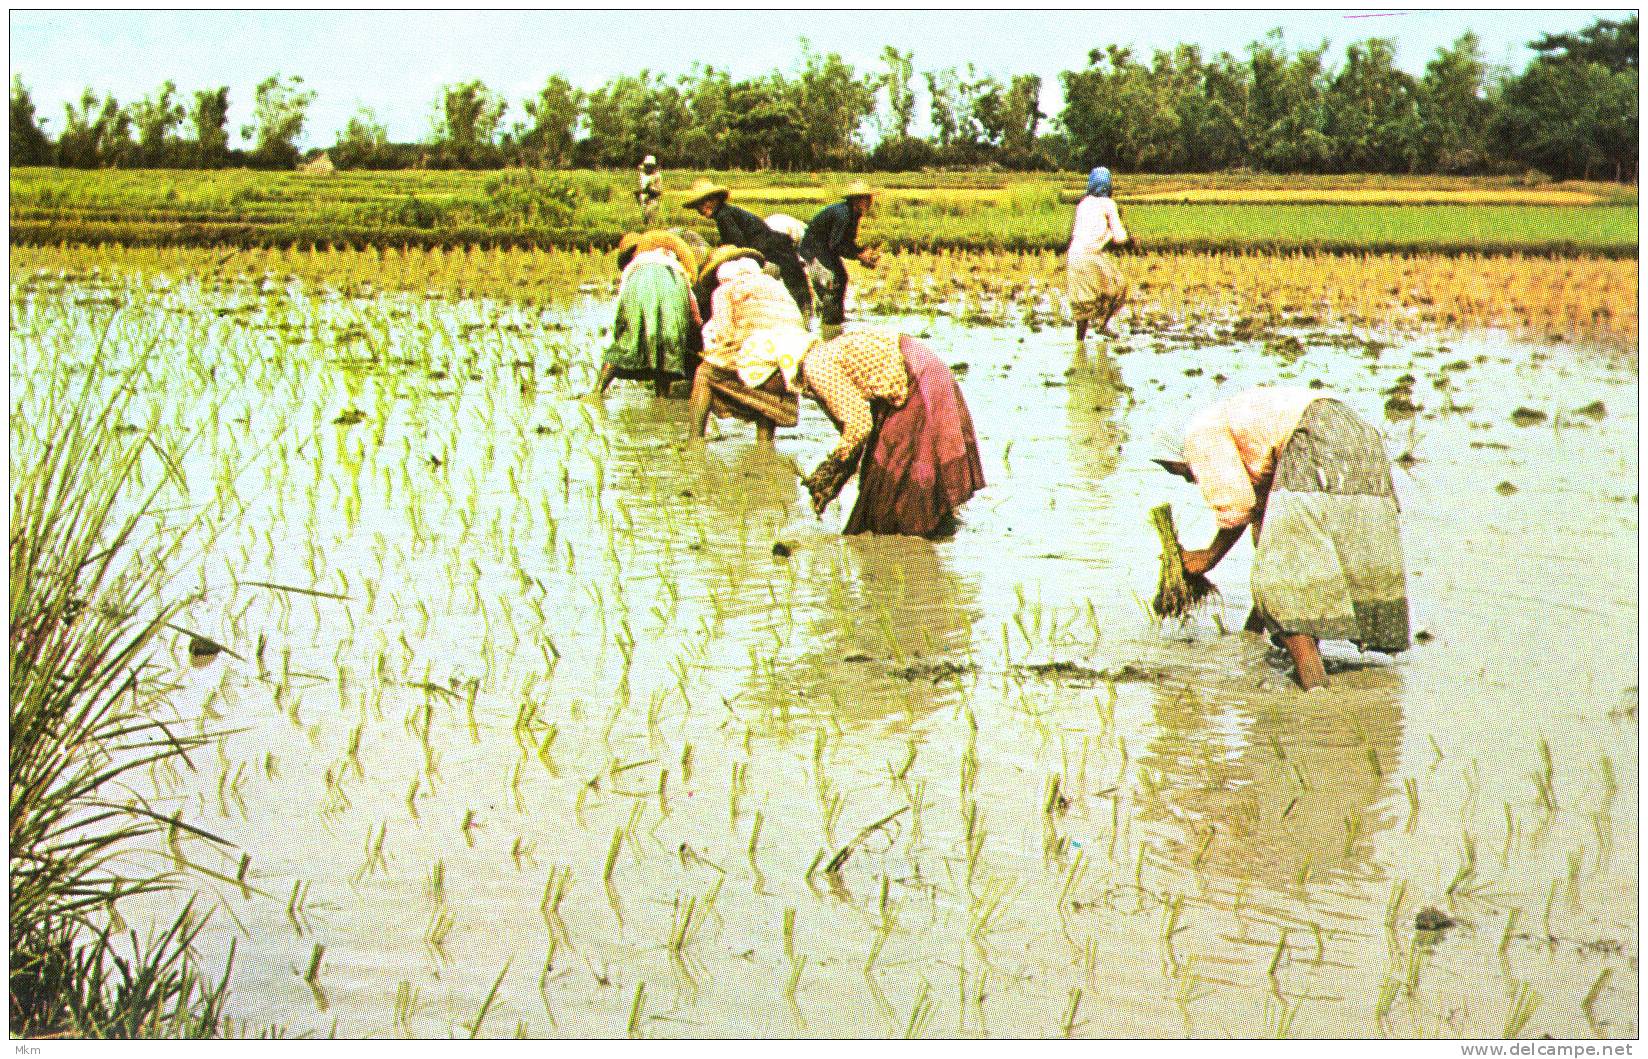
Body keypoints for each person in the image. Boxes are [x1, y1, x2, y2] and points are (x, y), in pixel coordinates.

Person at [1152, 386, 1411, 691]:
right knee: (1299, 565)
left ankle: (1316, 691)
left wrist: (1207, 558)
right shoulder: (1243, 433)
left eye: (1180, 471)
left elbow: (1238, 506)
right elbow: (1260, 518)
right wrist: (1248, 641)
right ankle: (1299, 669)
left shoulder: (1199, 436)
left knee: (1282, 581)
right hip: (1357, 432)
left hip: (1312, 435)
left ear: (1180, 452)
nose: (1188, 478)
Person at [798, 327, 985, 537]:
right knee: (883, 483)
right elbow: (855, 433)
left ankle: (911, 554)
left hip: (916, 379)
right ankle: (932, 539)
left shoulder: (816, 368)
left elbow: (858, 427)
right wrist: (838, 477)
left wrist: (828, 472)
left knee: (894, 494)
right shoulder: (821, 357)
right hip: (923, 370)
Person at [686, 247, 809, 445]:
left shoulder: (726, 289)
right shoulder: (775, 285)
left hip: (762, 360)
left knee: (705, 373)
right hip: (790, 364)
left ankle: (695, 440)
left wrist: (709, 351)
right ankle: (765, 446)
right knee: (768, 367)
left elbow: (723, 334)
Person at [588, 230, 701, 399]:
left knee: (626, 343)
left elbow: (622, 309)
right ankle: (661, 397)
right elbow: (692, 308)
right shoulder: (673, 266)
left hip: (639, 289)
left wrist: (619, 333)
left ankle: (596, 392)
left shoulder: (635, 270)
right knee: (666, 349)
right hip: (673, 288)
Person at [681, 179, 813, 321]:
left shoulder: (723, 216)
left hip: (773, 251)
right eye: (698, 206)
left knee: (792, 295)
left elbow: (738, 245)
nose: (700, 209)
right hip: (776, 247)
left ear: (714, 200)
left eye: (703, 203)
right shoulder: (727, 212)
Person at [799, 181, 881, 342]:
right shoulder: (843, 215)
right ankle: (830, 327)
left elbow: (845, 242)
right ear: (857, 200)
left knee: (841, 278)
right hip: (814, 251)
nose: (870, 202)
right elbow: (836, 245)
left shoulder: (853, 214)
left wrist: (860, 252)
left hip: (824, 249)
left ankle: (835, 320)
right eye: (867, 198)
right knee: (833, 282)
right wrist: (859, 255)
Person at [1067, 166, 1130, 342]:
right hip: (1092, 256)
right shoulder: (1109, 204)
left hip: (1074, 256)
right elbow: (1120, 238)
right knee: (1118, 287)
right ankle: (1102, 325)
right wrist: (1124, 231)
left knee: (1082, 302)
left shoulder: (1083, 203)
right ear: (1109, 186)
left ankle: (1079, 343)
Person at [636, 155, 663, 227]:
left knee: (650, 221)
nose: (648, 168)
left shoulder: (657, 176)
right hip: (643, 201)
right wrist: (639, 194)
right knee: (644, 221)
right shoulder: (642, 174)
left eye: (650, 166)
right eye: (646, 166)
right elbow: (641, 187)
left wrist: (650, 190)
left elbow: (659, 192)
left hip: (652, 201)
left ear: (653, 167)